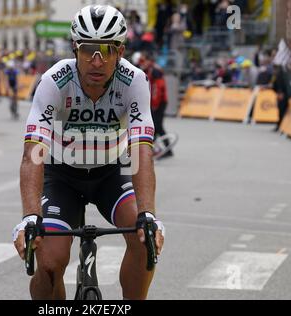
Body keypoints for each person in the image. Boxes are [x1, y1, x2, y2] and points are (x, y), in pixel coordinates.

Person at [12, 5, 165, 300]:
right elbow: (33, 153)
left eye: (107, 50)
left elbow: (142, 150)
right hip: (61, 176)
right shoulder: (54, 81)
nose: (97, 61)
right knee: (49, 262)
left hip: (112, 171)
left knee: (142, 237)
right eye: (87, 50)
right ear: (74, 48)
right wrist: (30, 217)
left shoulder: (134, 81)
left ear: (120, 51)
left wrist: (148, 213)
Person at [142, 54, 173, 159]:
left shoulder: (155, 71)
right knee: (156, 126)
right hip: (156, 102)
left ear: (148, 61)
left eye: (144, 61)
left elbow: (158, 88)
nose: (143, 63)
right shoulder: (150, 69)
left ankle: (166, 149)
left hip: (159, 103)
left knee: (157, 126)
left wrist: (154, 104)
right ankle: (154, 149)